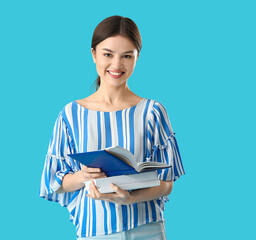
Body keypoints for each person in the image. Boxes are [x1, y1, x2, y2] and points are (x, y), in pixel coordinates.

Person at [39, 15, 185, 240]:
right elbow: (54, 182)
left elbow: (166, 183)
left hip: (147, 229)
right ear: (93, 54)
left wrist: (129, 199)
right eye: (108, 54)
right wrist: (82, 176)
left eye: (127, 56)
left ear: (137, 57)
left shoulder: (153, 112)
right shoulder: (70, 114)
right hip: (94, 232)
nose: (117, 65)